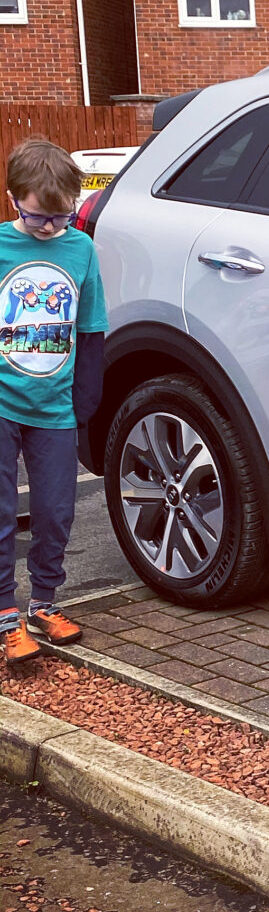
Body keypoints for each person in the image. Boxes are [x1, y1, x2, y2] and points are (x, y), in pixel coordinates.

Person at [0, 139, 107, 663]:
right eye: (39, 217)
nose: (50, 229)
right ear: (13, 199)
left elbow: (90, 326)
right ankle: (4, 614)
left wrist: (86, 398)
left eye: (61, 217)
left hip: (56, 407)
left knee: (55, 510)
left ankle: (44, 602)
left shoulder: (80, 249)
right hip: (1, 402)